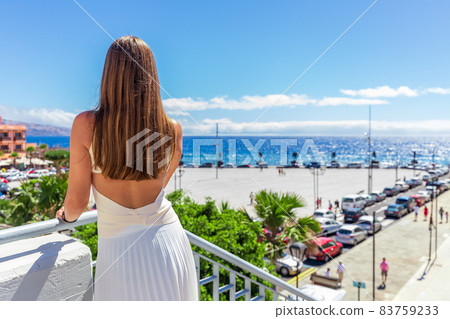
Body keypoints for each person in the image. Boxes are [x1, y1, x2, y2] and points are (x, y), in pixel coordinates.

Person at [56, 36, 198, 301]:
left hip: (119, 251)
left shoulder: (86, 125)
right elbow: (158, 185)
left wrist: (64, 217)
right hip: (169, 241)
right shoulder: (173, 129)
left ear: (109, 75)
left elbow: (76, 204)